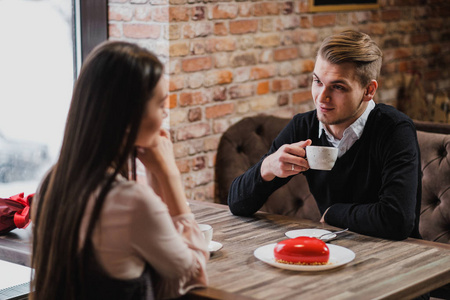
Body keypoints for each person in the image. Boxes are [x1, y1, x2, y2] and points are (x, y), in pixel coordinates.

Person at [31, 41, 209, 300]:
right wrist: (169, 176)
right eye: (161, 106)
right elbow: (193, 272)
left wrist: (154, 175)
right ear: (127, 119)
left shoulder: (51, 183)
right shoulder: (130, 201)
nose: (164, 117)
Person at [228, 30, 422, 241]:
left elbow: (397, 220)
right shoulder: (303, 127)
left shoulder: (394, 129)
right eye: (318, 81)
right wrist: (267, 167)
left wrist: (333, 213)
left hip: (398, 256)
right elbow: (237, 204)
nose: (322, 97)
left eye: (338, 87)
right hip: (333, 251)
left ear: (368, 90)